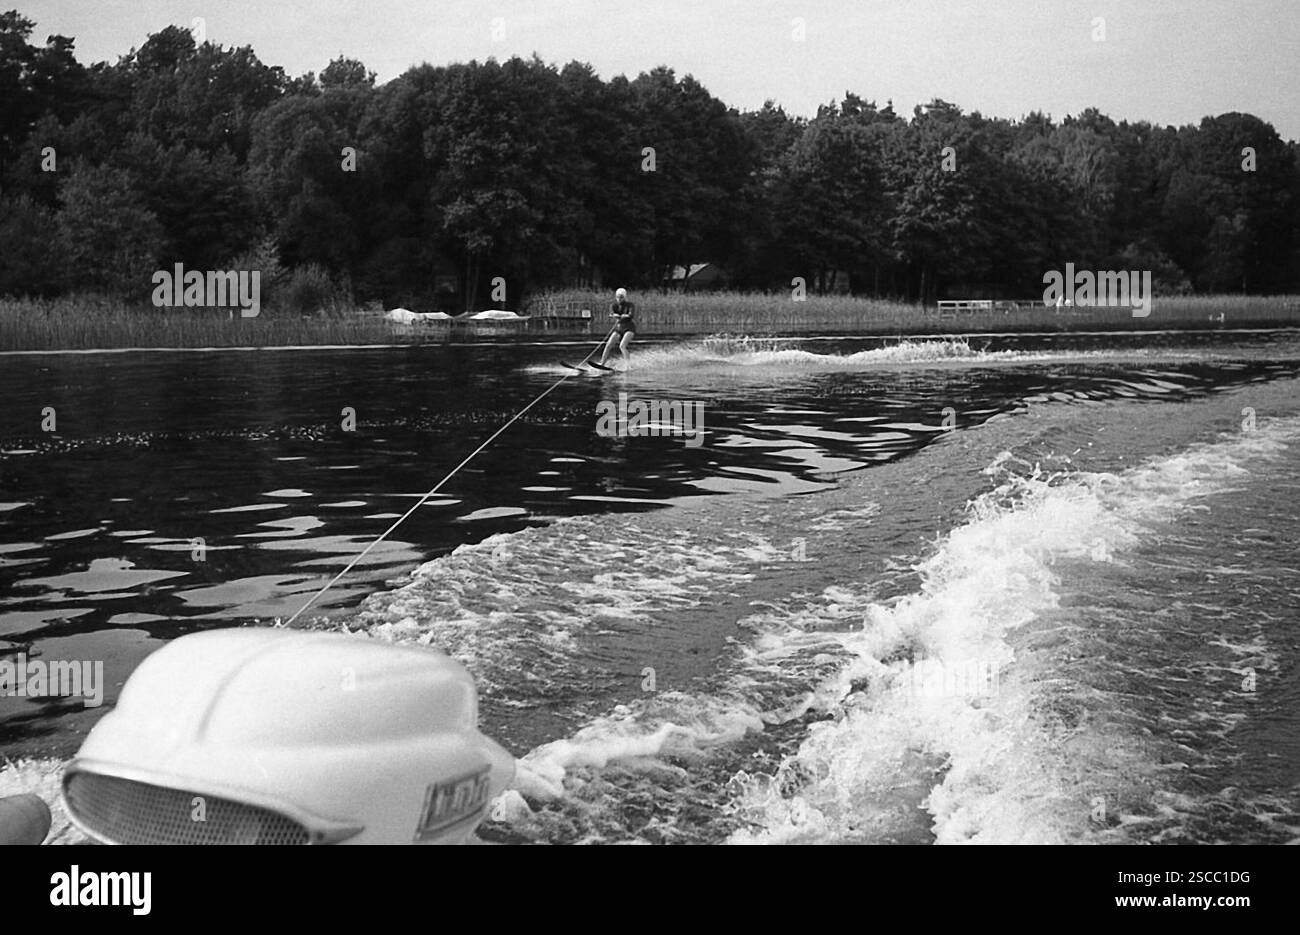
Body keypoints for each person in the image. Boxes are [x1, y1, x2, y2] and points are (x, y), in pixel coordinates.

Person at [598, 287, 636, 367]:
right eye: (618, 297)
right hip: (618, 328)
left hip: (629, 328)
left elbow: (631, 315)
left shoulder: (630, 305)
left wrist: (625, 315)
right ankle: (602, 363)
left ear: (624, 297)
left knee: (622, 346)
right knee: (608, 345)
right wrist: (614, 315)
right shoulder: (613, 305)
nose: (619, 299)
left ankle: (628, 366)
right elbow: (611, 313)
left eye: (621, 297)